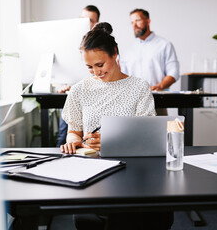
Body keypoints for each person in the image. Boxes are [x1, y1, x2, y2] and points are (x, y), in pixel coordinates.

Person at [60, 22, 173, 230]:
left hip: (133, 168)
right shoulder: (78, 90)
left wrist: (113, 142)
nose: (95, 72)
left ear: (115, 55)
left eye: (100, 65)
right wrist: (74, 141)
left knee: (127, 212)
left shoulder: (138, 87)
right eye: (89, 67)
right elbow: (73, 131)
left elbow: (148, 135)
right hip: (93, 169)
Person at [120, 8, 180, 115]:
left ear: (148, 21)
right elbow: (122, 76)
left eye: (137, 20)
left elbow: (173, 72)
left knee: (160, 131)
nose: (134, 25)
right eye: (132, 22)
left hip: (158, 102)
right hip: (134, 105)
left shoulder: (164, 45)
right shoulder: (128, 50)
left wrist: (160, 86)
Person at [56, 5, 101, 147]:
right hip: (73, 94)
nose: (86, 23)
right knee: (64, 136)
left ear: (97, 23)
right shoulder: (67, 43)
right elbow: (58, 72)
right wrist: (60, 85)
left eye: (91, 20)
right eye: (83, 19)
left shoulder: (103, 46)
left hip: (94, 97)